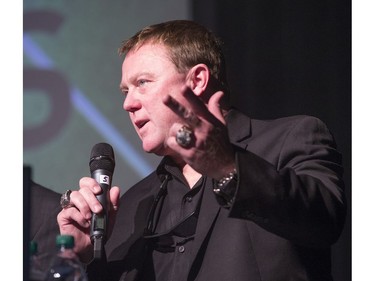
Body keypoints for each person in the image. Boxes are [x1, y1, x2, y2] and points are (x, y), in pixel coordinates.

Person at [57, 20, 347, 281]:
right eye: (125, 91)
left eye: (142, 83)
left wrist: (227, 166)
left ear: (197, 81)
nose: (128, 104)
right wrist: (84, 258)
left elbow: (324, 222)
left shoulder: (289, 138)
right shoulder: (136, 203)